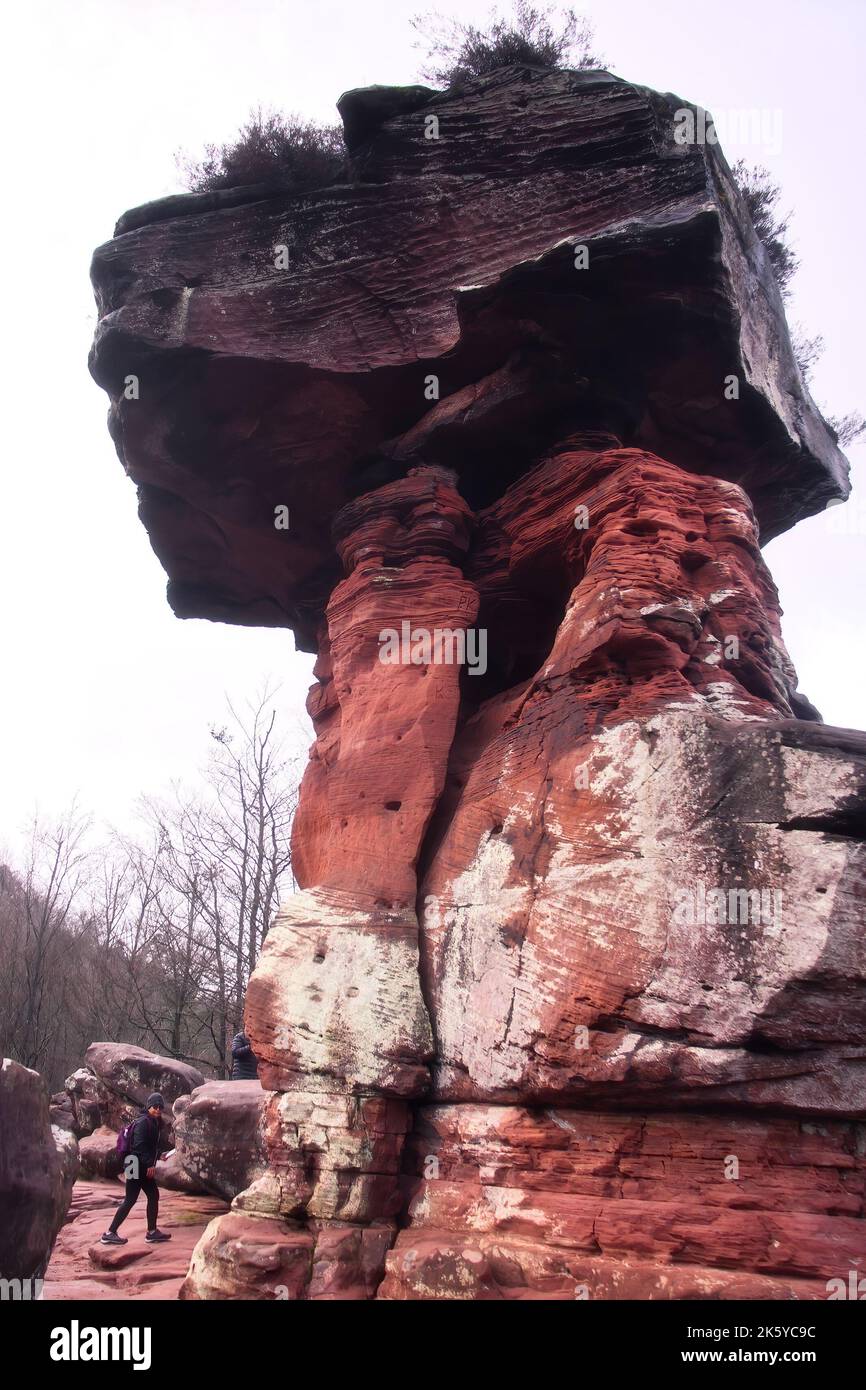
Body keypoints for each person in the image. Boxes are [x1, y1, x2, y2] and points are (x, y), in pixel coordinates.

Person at [101, 1093, 172, 1245]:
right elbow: (138, 1147)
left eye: (161, 1107)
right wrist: (149, 1165)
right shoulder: (143, 1122)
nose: (158, 1109)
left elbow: (148, 1147)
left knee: (153, 1195)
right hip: (134, 1164)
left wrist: (159, 1155)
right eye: (155, 1106)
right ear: (149, 1106)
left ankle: (152, 1232)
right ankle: (109, 1233)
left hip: (139, 1164)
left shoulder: (153, 1122)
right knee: (130, 1199)